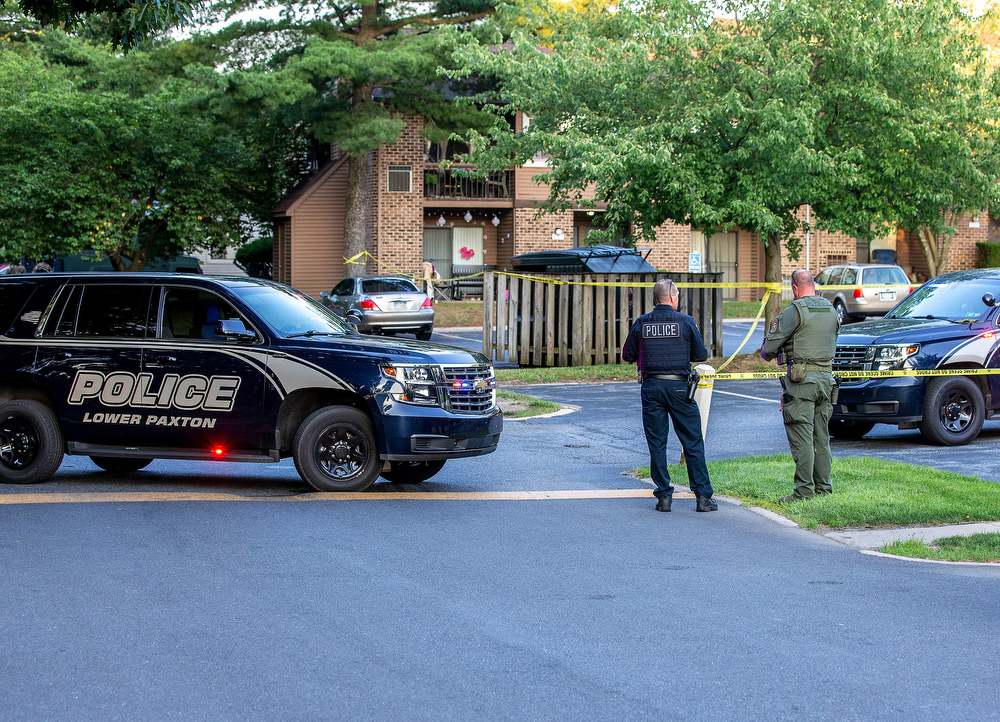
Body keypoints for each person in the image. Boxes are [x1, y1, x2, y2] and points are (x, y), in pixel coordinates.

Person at [622, 279, 717, 513]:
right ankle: (703, 498)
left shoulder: (642, 323)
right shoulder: (685, 322)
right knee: (692, 441)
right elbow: (701, 354)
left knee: (657, 443)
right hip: (679, 388)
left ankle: (664, 496)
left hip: (652, 387)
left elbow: (627, 355)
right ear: (672, 298)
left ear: (655, 299)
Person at [760, 269, 840, 502]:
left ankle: (803, 492)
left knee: (802, 436)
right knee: (821, 438)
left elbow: (768, 350)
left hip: (802, 382)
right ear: (812, 285)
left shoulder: (795, 311)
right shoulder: (830, 309)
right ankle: (824, 489)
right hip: (827, 380)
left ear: (795, 287)